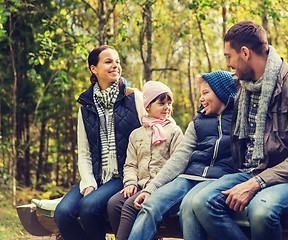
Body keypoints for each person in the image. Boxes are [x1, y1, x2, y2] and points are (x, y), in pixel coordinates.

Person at [192, 20, 288, 240]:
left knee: (260, 212)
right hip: (246, 171)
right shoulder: (245, 86)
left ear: (245, 53)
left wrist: (257, 183)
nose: (228, 64)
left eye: (228, 56)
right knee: (201, 202)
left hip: (286, 178)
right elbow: (213, 91)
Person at [127, 71, 237, 240]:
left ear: (221, 93)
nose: (201, 99)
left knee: (189, 207)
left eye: (205, 93)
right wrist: (151, 188)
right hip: (188, 176)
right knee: (150, 205)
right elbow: (179, 158)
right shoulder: (197, 123)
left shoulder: (240, 120)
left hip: (218, 179)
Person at [54, 45, 146, 240]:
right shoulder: (85, 106)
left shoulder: (134, 97)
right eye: (108, 61)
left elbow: (152, 135)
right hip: (96, 175)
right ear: (93, 69)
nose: (115, 66)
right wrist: (88, 183)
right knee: (62, 212)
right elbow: (85, 152)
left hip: (123, 176)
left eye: (117, 62)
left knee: (88, 207)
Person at [106, 81, 183, 240]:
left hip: (162, 186)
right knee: (113, 204)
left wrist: (156, 186)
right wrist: (130, 183)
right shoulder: (136, 134)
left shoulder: (174, 131)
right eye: (161, 103)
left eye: (169, 103)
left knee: (129, 206)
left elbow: (178, 163)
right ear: (147, 106)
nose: (167, 107)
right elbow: (130, 164)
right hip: (140, 184)